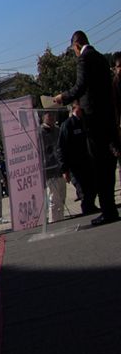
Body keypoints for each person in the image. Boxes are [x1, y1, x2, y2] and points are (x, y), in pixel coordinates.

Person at [53, 30, 119, 226]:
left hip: (93, 120)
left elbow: (80, 86)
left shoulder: (84, 59)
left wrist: (63, 97)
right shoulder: (101, 58)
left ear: (76, 45)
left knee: (99, 166)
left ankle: (107, 210)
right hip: (107, 117)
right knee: (108, 166)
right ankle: (110, 208)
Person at [60, 104, 94, 214]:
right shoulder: (68, 124)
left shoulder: (84, 121)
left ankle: (91, 207)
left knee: (91, 187)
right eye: (80, 107)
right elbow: (62, 147)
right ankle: (87, 210)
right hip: (75, 165)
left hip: (87, 161)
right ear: (75, 108)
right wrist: (64, 169)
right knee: (82, 190)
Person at [39, 112, 67, 226]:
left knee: (62, 196)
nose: (51, 117)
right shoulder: (40, 132)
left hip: (60, 168)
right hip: (49, 170)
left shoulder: (57, 130)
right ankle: (54, 222)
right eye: (48, 115)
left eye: (53, 115)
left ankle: (61, 218)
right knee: (54, 198)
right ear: (43, 117)